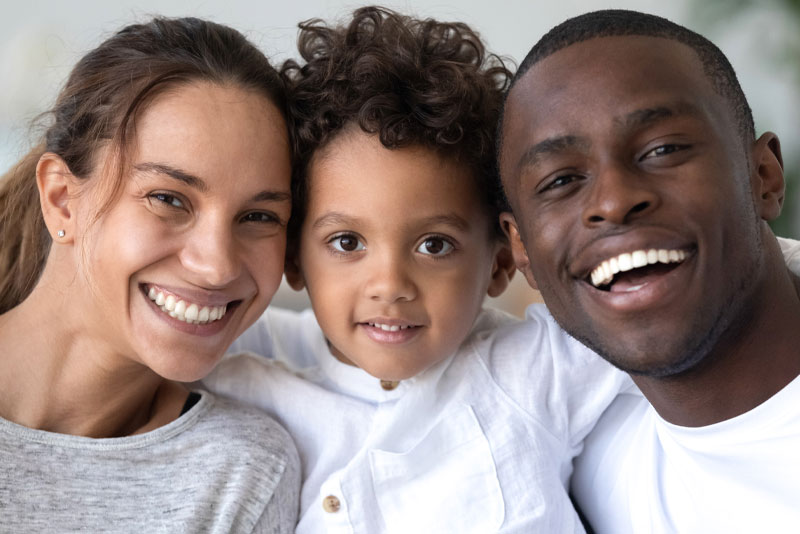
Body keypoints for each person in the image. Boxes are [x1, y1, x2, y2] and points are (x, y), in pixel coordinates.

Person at [202, 6, 628, 533]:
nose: (390, 286)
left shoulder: (532, 370)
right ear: (293, 258)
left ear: (500, 263)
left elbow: (697, 302)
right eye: (347, 241)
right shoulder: (246, 363)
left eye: (434, 245)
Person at [498, 9, 800, 533]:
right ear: (520, 249)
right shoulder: (556, 457)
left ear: (764, 177)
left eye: (663, 149)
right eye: (560, 181)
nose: (613, 201)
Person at [0, 17, 300, 532]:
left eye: (259, 217)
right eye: (168, 198)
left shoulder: (240, 473)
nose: (217, 266)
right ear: (62, 200)